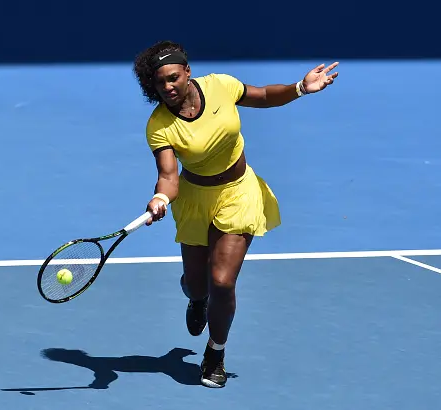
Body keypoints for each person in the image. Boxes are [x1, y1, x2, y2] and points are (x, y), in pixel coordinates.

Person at [132, 40, 339, 388]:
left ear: (187, 72)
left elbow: (263, 95)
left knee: (222, 281)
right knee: (197, 285)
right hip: (195, 198)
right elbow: (168, 176)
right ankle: (197, 299)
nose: (168, 87)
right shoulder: (159, 125)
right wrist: (160, 197)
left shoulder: (220, 86)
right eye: (160, 82)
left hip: (238, 192)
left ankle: (215, 352)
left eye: (173, 78)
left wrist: (301, 88)